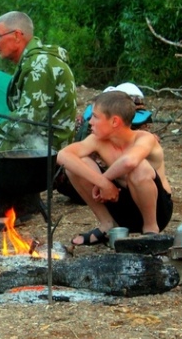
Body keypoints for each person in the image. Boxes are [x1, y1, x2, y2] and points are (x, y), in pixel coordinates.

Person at [0, 11, 77, 234]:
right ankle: (21, 204)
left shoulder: (39, 66)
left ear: (17, 35)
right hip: (42, 142)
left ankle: (0, 214)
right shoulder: (37, 61)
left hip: (44, 150)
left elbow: (28, 122)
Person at [56, 90, 174, 246]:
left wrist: (104, 181)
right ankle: (108, 225)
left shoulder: (145, 138)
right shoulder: (98, 140)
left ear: (115, 122)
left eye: (95, 117)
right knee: (76, 165)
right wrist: (102, 183)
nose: (90, 121)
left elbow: (129, 162)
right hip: (120, 206)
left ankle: (151, 231)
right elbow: (63, 155)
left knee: (139, 167)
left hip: (157, 211)